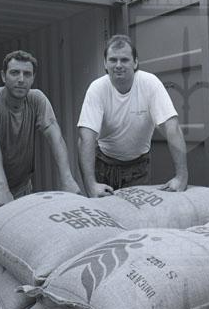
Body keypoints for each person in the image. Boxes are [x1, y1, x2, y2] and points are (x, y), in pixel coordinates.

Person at [0, 50, 80, 218]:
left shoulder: (37, 99)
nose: (21, 79)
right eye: (15, 72)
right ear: (3, 76)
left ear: (33, 78)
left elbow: (56, 138)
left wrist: (67, 179)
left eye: (27, 74)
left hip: (22, 188)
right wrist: (2, 188)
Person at [77, 34, 188, 198]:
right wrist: (91, 185)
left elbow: (172, 128)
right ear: (105, 63)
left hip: (138, 168)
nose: (118, 65)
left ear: (135, 62)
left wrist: (181, 176)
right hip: (103, 165)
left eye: (124, 60)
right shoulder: (97, 89)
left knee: (138, 213)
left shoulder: (150, 84)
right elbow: (85, 137)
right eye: (113, 60)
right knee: (105, 212)